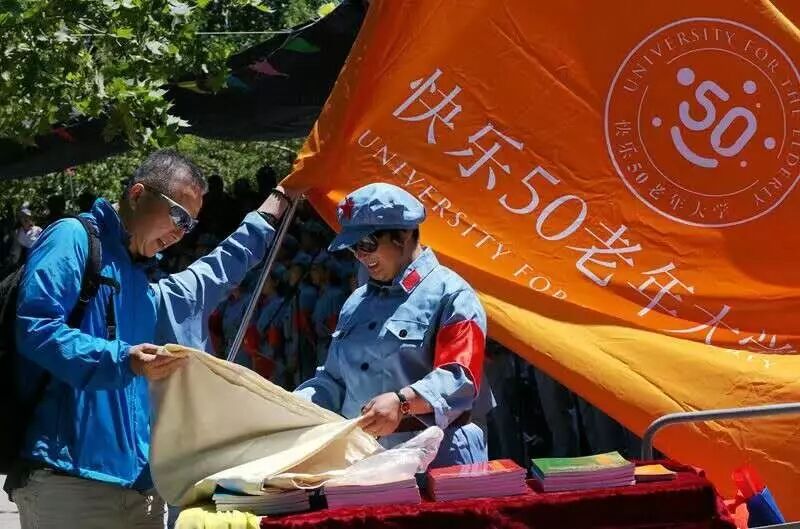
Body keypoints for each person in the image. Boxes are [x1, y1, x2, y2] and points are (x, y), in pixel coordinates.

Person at [9, 149, 297, 529]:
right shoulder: (72, 237)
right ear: (137, 194)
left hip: (143, 492)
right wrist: (123, 359)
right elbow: (36, 326)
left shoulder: (145, 283)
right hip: (69, 484)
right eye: (179, 216)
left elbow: (217, 269)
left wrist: (281, 197)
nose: (181, 232)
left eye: (191, 224)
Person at [295, 183, 494, 468]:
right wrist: (294, 404)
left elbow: (459, 376)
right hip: (364, 458)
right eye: (353, 247)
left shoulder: (452, 293)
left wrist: (403, 402)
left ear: (403, 235)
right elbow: (335, 379)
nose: (360, 255)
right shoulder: (355, 302)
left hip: (438, 458)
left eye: (367, 243)